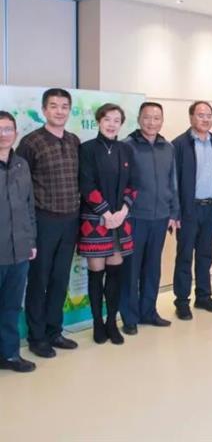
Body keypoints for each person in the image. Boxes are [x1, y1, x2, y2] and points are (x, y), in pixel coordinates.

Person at [17, 88, 80, 359]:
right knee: (39, 280)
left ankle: (55, 331)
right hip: (43, 221)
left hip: (71, 220)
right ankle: (37, 336)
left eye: (64, 106)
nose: (59, 111)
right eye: (53, 106)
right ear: (44, 110)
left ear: (69, 110)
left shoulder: (74, 140)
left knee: (60, 279)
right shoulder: (31, 142)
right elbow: (21, 187)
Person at [79, 103, 136, 344]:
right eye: (107, 119)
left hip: (120, 221)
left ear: (121, 124)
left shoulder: (126, 149)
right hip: (95, 222)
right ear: (98, 121)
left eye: (116, 120)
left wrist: (122, 211)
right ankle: (97, 323)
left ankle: (112, 322)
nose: (111, 124)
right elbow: (86, 185)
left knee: (115, 275)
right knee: (96, 274)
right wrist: (106, 213)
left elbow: (134, 184)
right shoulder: (86, 149)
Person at [119, 102, 179, 334]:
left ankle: (149, 312)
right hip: (134, 217)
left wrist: (173, 212)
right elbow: (122, 184)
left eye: (156, 118)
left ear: (162, 121)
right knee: (131, 269)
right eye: (147, 117)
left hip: (161, 217)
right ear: (139, 119)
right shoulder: (127, 146)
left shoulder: (168, 147)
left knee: (152, 268)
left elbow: (173, 182)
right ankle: (130, 317)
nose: (151, 122)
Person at [172, 101, 212, 320]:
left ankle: (203, 296)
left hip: (210, 209)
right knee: (184, 256)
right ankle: (182, 301)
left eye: (209, 115)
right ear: (191, 117)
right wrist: (175, 212)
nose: (205, 119)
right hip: (188, 210)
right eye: (201, 115)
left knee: (205, 255)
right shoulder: (179, 144)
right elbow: (173, 182)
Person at [0, 111, 37, 373]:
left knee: (12, 306)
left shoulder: (22, 164)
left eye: (8, 129)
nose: (3, 135)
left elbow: (29, 206)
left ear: (16, 133)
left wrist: (31, 241)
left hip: (20, 249)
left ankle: (10, 354)